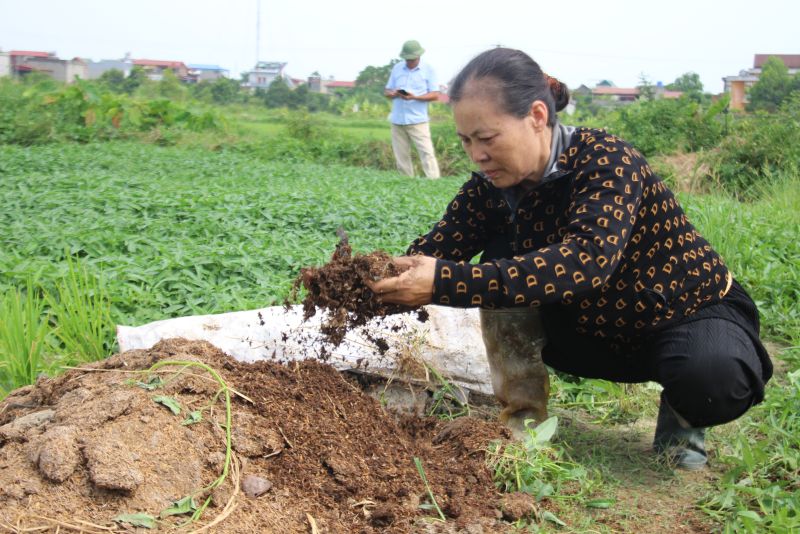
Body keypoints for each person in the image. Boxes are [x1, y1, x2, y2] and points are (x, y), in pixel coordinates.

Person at [370, 47, 773, 470]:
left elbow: (586, 260)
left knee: (712, 380)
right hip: (588, 329)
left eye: (487, 139)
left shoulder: (606, 161)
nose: (477, 155)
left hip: (679, 316)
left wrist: (445, 282)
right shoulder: (488, 189)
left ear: (538, 116)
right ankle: (523, 421)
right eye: (466, 141)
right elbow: (434, 252)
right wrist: (367, 282)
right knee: (502, 255)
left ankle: (683, 417)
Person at [384, 40, 441, 179]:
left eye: (411, 59)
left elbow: (435, 95)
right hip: (397, 119)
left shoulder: (428, 69)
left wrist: (415, 97)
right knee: (401, 155)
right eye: (407, 59)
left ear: (418, 56)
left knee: (427, 153)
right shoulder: (397, 68)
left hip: (417, 120)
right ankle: (406, 182)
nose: (409, 62)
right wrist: (393, 93)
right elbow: (387, 90)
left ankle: (434, 181)